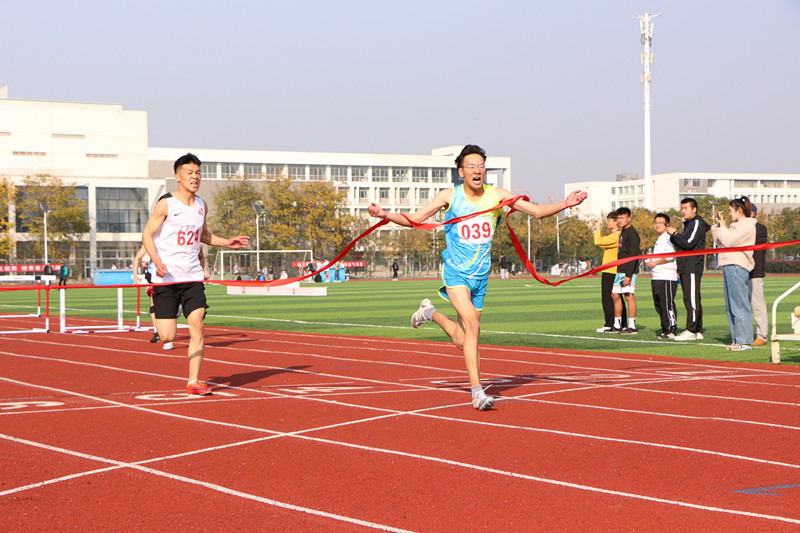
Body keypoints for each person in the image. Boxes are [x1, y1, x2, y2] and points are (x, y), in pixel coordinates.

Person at [368, 144, 587, 410]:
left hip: (481, 278)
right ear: (461, 171)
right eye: (471, 166)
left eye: (481, 166)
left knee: (463, 339)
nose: (477, 170)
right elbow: (416, 219)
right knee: (473, 326)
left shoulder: (498, 196)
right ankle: (477, 392)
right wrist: (386, 215)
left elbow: (537, 212)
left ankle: (430, 313)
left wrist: (566, 203)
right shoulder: (450, 196)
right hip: (456, 274)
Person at [142, 153, 249, 395]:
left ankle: (193, 381)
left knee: (197, 323)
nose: (195, 177)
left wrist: (227, 242)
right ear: (177, 177)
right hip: (166, 278)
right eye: (189, 173)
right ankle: (159, 303)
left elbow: (204, 235)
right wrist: (156, 261)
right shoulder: (166, 204)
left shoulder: (201, 205)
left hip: (192, 277)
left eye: (198, 173)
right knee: (167, 336)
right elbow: (147, 234)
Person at [712, 197, 757, 351]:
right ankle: (736, 339)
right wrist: (719, 225)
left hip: (737, 266)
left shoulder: (748, 226)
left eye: (731, 210)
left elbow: (729, 241)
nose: (729, 213)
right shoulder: (733, 227)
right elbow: (720, 241)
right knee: (730, 306)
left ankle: (744, 340)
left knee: (739, 304)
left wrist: (723, 227)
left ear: (739, 210)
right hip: (728, 265)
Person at [667, 197, 711, 341]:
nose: (683, 211)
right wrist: (674, 235)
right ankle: (697, 330)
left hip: (692, 265)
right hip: (685, 265)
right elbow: (681, 243)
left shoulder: (697, 222)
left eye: (686, 208)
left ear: (694, 209)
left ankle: (691, 330)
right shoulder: (689, 224)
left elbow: (688, 243)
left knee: (691, 298)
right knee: (692, 297)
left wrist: (675, 234)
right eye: (682, 208)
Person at [645, 214, 678, 339]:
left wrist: (655, 262)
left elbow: (670, 256)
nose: (657, 225)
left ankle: (671, 329)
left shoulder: (668, 237)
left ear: (667, 224)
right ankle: (665, 328)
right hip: (656, 276)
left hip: (667, 276)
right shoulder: (659, 239)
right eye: (656, 222)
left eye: (660, 222)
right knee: (658, 304)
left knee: (667, 304)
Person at [593, 210, 626, 333]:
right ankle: (620, 323)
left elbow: (598, 241)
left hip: (611, 270)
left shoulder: (616, 236)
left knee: (609, 298)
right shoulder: (615, 236)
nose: (607, 222)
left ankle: (610, 323)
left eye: (609, 220)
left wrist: (597, 228)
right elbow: (602, 242)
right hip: (610, 270)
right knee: (616, 297)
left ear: (616, 222)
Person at [612, 207, 640, 334]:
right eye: (618, 218)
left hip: (628, 270)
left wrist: (629, 274)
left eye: (622, 218)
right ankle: (617, 324)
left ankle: (632, 326)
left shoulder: (632, 233)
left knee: (628, 295)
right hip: (620, 269)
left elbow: (633, 255)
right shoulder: (623, 232)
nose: (620, 220)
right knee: (615, 294)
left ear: (629, 218)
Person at [748, 204, 768, 346]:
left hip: (755, 272)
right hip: (739, 271)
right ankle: (744, 334)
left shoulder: (760, 228)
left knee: (758, 305)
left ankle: (762, 335)